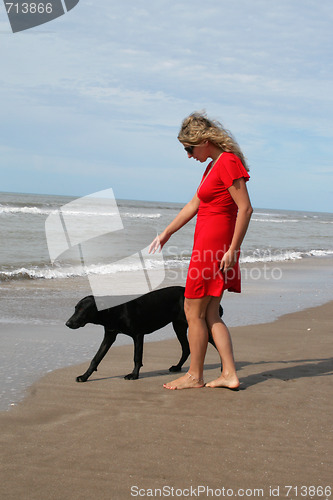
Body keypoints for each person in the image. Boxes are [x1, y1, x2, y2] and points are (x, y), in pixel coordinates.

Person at [149, 112, 253, 390]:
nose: (188, 154)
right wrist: (167, 232)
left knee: (191, 311)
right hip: (211, 248)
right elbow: (194, 204)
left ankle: (195, 375)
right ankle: (229, 373)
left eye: (189, 148)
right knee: (210, 314)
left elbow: (245, 208)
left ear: (204, 141)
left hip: (214, 250)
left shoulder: (228, 162)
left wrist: (233, 249)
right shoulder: (213, 166)